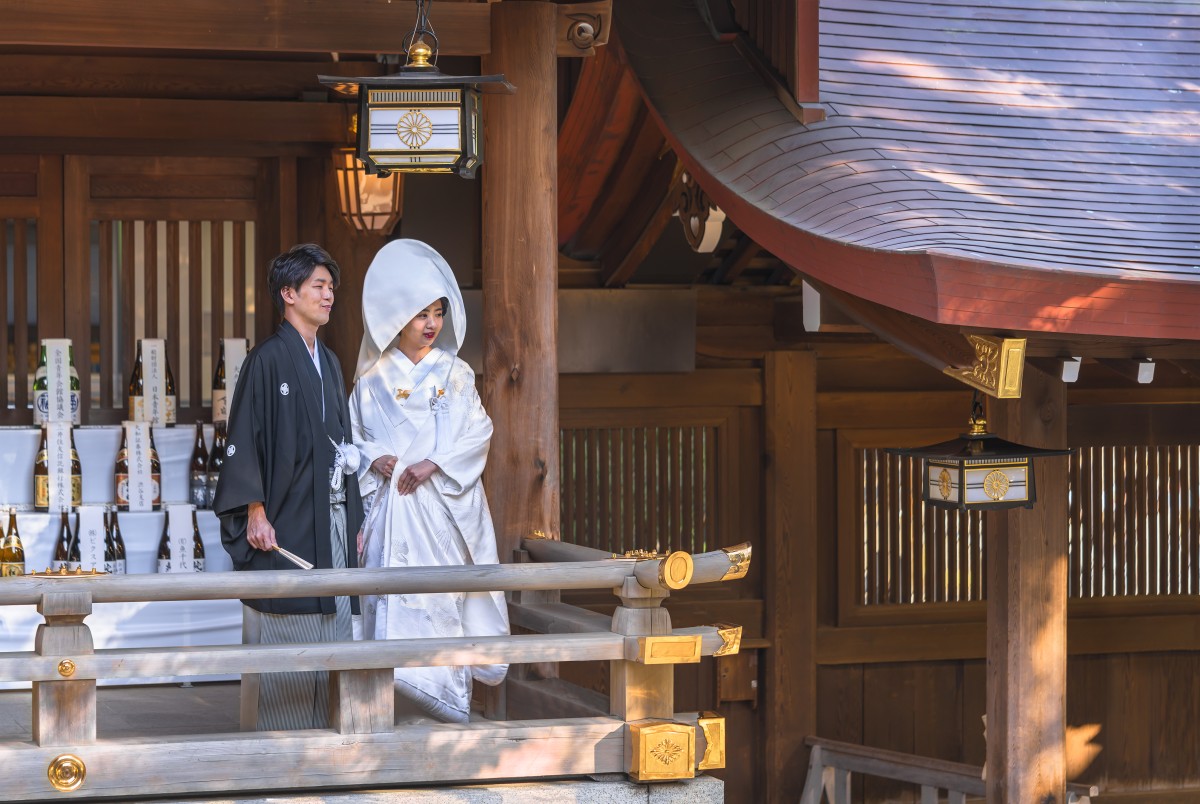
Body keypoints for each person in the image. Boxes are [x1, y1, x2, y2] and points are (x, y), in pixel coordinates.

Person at [350, 239, 508, 724]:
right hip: (395, 511)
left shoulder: (456, 374)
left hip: (440, 509)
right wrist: (376, 459)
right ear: (398, 316)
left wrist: (434, 463)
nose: (431, 324)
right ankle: (382, 716)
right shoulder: (371, 380)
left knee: (442, 600)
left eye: (438, 312)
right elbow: (353, 440)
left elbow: (479, 430)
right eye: (421, 313)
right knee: (390, 599)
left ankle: (445, 702)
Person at [213, 243, 364, 731]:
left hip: (333, 516)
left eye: (330, 287)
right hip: (288, 517)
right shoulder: (267, 361)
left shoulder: (332, 362)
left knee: (337, 623)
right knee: (290, 622)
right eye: (318, 286)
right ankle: (282, 749)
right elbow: (245, 438)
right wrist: (254, 510)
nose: (328, 295)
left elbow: (344, 446)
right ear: (288, 293)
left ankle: (333, 746)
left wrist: (356, 518)